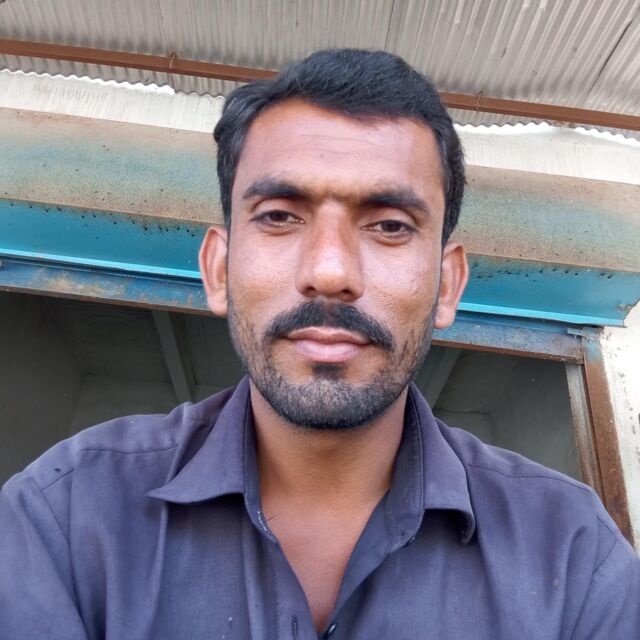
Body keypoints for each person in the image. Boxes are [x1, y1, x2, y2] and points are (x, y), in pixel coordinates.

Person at [1, 48, 638, 640]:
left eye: (390, 225)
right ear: (218, 270)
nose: (330, 272)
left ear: (447, 284)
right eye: (279, 216)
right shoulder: (63, 518)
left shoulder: (577, 558)